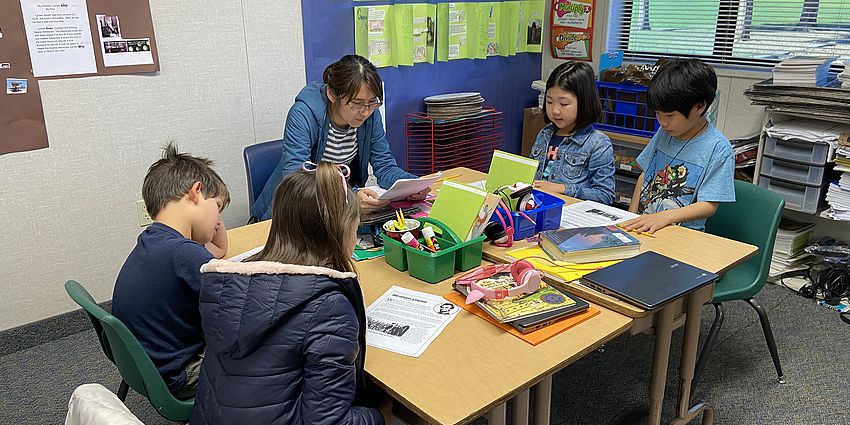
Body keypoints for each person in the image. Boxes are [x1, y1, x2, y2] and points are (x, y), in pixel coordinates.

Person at [192, 161, 392, 425]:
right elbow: (328, 423)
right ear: (340, 230)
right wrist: (381, 416)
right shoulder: (329, 307)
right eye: (355, 230)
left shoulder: (235, 279)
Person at [112, 143, 229, 399]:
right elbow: (241, 308)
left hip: (148, 366)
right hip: (182, 374)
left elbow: (218, 251)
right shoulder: (184, 254)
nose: (219, 220)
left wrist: (210, 218)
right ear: (196, 192)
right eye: (218, 207)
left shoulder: (153, 240)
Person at [251, 54, 427, 221]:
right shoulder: (303, 114)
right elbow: (298, 181)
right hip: (289, 215)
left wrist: (412, 185)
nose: (365, 112)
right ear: (332, 94)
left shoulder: (370, 115)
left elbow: (385, 166)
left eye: (372, 102)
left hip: (335, 213)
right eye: (356, 104)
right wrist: (350, 198)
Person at [622, 58, 735, 233]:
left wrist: (665, 217)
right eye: (658, 114)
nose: (662, 122)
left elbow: (708, 205)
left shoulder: (718, 148)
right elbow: (645, 175)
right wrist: (631, 216)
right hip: (646, 228)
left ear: (699, 107)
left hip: (682, 236)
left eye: (670, 115)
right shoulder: (665, 132)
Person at [530, 61, 616, 205]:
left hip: (570, 214)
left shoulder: (597, 144)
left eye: (563, 104)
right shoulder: (544, 134)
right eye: (550, 102)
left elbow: (605, 195)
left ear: (584, 102)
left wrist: (563, 189)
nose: (555, 110)